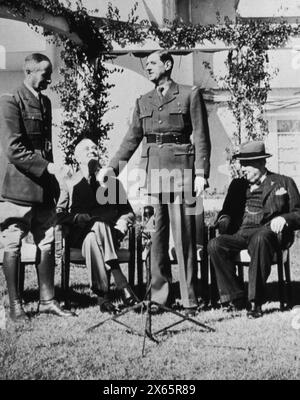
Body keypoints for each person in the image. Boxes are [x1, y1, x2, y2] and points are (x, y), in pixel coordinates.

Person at [98, 50, 211, 315]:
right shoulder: (143, 101)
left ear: (168, 64)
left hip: (181, 171)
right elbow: (131, 139)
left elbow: (202, 136)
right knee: (156, 235)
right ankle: (160, 297)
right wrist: (112, 167)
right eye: (145, 64)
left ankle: (189, 298)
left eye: (152, 63)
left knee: (183, 235)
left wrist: (201, 173)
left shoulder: (189, 94)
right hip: (152, 174)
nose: (147, 67)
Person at [0, 53, 73, 322]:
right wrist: (49, 168)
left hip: (43, 189)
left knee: (48, 241)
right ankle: (16, 306)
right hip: (18, 188)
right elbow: (13, 149)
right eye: (45, 74)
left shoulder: (45, 102)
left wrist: (54, 180)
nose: (49, 79)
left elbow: (46, 147)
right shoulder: (10, 100)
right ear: (28, 71)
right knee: (13, 242)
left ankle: (47, 301)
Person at [208, 141, 300, 318]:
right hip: (241, 233)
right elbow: (225, 211)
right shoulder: (237, 185)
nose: (242, 169)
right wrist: (223, 219)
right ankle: (236, 297)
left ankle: (255, 301)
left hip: (269, 233)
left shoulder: (283, 182)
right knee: (215, 245)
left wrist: (284, 218)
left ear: (261, 164)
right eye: (241, 164)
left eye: (246, 165)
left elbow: (298, 212)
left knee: (260, 238)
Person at [56, 138, 139, 314]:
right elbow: (58, 214)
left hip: (109, 235)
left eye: (94, 147)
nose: (92, 150)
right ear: (77, 157)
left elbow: (129, 212)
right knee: (97, 226)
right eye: (87, 148)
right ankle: (121, 282)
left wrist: (123, 223)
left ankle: (104, 298)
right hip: (79, 236)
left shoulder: (112, 182)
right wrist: (76, 217)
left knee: (96, 233)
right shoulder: (69, 182)